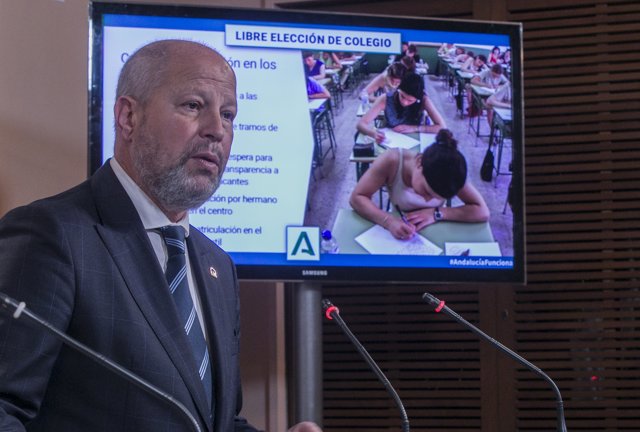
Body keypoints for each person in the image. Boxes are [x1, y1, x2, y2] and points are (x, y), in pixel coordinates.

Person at [0, 39, 320, 432]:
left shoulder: (217, 266)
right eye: (193, 106)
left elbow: (217, 422)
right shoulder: (53, 235)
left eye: (229, 114)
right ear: (128, 117)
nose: (217, 130)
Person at [350, 129, 489, 240]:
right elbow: (357, 197)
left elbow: (482, 211)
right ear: (419, 162)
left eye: (437, 198)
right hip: (399, 230)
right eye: (427, 191)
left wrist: (437, 213)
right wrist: (388, 221)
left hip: (434, 231)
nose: (428, 200)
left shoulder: (451, 171)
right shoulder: (391, 161)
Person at [357, 72, 446, 144]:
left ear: (418, 99)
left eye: (410, 100)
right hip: (391, 141)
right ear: (398, 89)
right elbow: (361, 124)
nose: (404, 102)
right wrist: (373, 134)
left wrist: (415, 128)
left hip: (415, 142)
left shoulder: (424, 100)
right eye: (402, 96)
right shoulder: (385, 99)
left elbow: (442, 127)